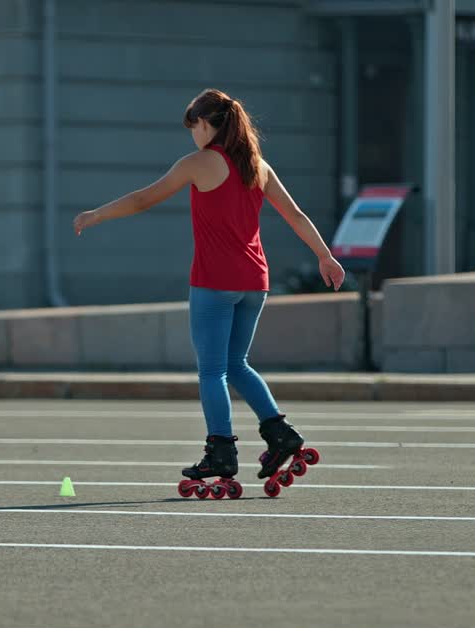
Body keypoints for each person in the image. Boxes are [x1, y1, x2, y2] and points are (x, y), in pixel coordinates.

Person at [73, 88, 345, 489]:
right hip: (255, 282)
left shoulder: (199, 163)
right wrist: (325, 256)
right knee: (238, 364)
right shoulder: (258, 166)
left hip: (215, 283)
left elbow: (145, 198)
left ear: (206, 124)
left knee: (213, 371)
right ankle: (280, 434)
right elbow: (296, 214)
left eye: (193, 127)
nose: (192, 135)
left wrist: (97, 214)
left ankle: (221, 449)